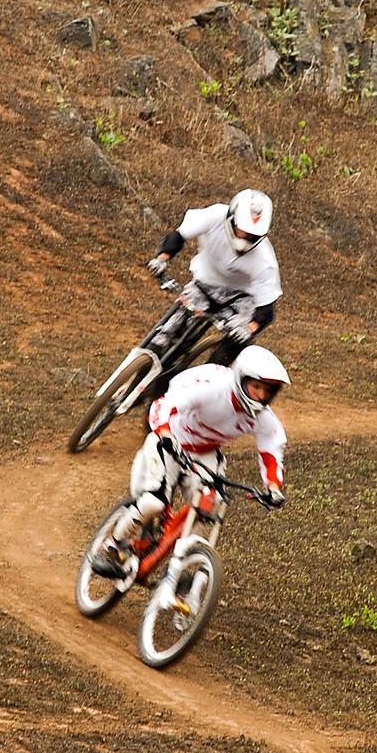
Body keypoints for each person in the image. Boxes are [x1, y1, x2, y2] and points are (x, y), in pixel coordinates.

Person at [92, 346, 289, 578]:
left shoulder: (264, 419)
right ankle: (110, 547)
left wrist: (273, 487)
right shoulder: (211, 387)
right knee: (154, 503)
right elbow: (163, 405)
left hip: (205, 453)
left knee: (208, 508)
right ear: (240, 378)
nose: (260, 396)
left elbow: (271, 450)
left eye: (268, 391)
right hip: (170, 438)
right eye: (256, 387)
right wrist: (164, 433)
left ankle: (179, 563)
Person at [146, 189, 281, 369]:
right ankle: (141, 376)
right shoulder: (214, 215)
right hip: (204, 285)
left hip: (240, 301)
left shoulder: (266, 261)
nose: (246, 238)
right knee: (167, 333)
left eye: (253, 235)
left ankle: (209, 378)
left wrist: (249, 328)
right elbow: (179, 235)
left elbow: (266, 309)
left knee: (234, 343)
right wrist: (162, 259)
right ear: (231, 218)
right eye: (243, 230)